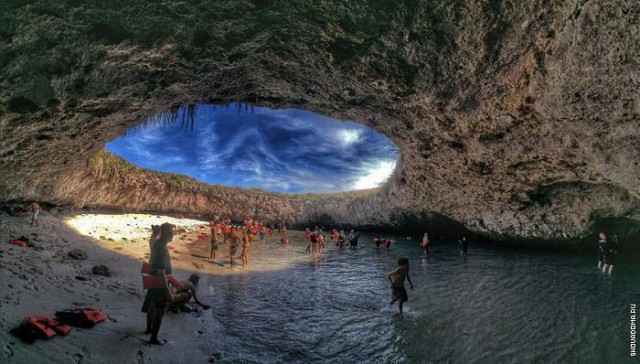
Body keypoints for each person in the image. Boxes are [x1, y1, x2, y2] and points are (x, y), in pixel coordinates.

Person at [143, 222, 174, 345]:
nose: (173, 234)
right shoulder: (162, 250)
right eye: (170, 232)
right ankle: (154, 338)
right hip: (160, 283)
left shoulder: (156, 244)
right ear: (165, 233)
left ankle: (148, 329)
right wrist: (168, 293)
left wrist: (154, 233)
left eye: (172, 232)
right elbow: (161, 273)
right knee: (160, 311)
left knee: (151, 306)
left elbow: (152, 240)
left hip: (152, 280)